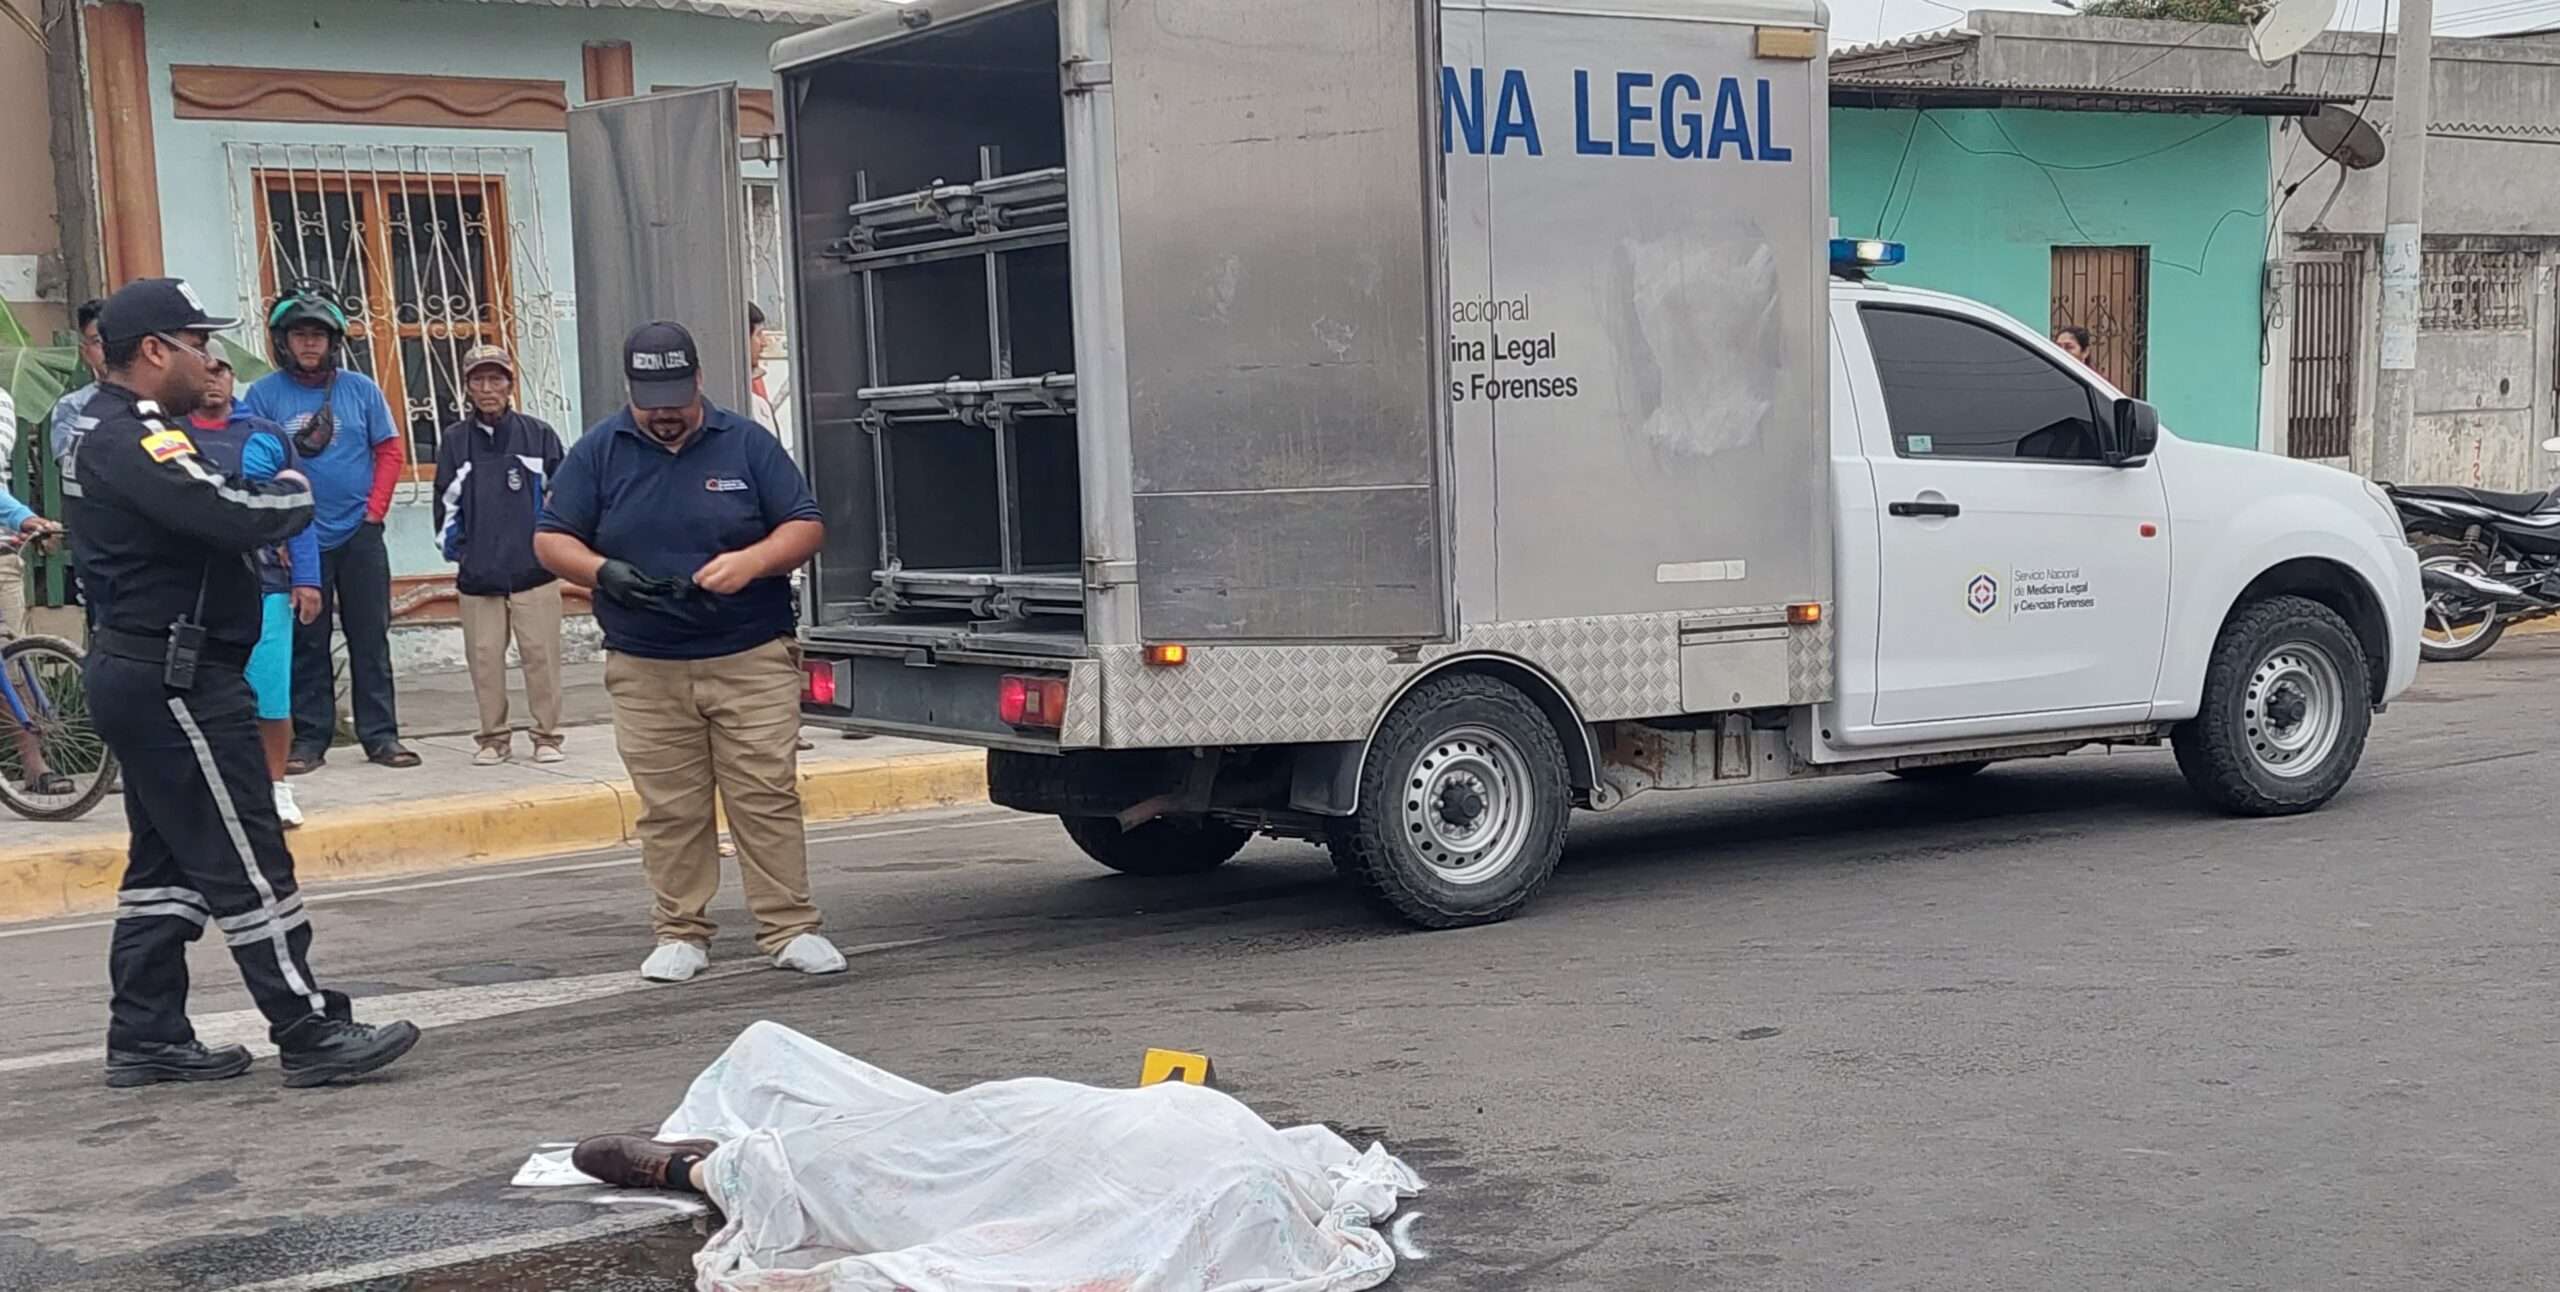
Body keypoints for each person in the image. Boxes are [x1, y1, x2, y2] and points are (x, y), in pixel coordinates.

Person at [68, 277, 417, 1089]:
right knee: (248, 850)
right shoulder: (135, 437)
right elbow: (228, 509)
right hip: (175, 677)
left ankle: (146, 1032)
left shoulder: (109, 424)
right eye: (197, 344)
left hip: (154, 667)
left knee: (169, 862)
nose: (211, 359)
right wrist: (294, 490)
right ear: (154, 351)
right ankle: (306, 1026)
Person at [533, 321, 840, 982]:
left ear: (699, 380)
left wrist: (753, 561)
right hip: (646, 663)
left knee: (765, 793)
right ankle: (681, 931)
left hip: (749, 652)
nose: (665, 413)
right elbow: (552, 538)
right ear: (629, 390)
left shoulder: (746, 444)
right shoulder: (597, 452)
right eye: (651, 400)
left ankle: (789, 926)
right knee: (670, 804)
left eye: (676, 395)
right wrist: (601, 571)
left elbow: (806, 524)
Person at [241, 283, 418, 773]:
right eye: (300, 334)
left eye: (318, 334)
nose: (310, 343)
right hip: (299, 540)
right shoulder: (263, 395)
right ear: (283, 341)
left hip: (359, 534)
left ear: (334, 340)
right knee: (306, 641)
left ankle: (381, 736)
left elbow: (389, 451)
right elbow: (255, 464)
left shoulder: (361, 390)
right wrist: (273, 532)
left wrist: (374, 512)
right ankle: (310, 739)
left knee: (370, 636)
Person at [187, 354, 323, 828]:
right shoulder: (169, 435)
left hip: (265, 586)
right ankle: (210, 788)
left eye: (220, 370)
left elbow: (298, 507)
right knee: (199, 695)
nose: (212, 379)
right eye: (203, 370)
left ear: (232, 377)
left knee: (270, 695)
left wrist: (306, 578)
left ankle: (276, 786)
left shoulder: (266, 434)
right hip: (193, 592)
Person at [433, 345, 568, 766]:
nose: (487, 388)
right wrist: (461, 554)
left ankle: (546, 737)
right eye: (478, 380)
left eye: (496, 379)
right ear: (467, 387)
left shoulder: (538, 435)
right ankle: (493, 739)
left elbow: (562, 498)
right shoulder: (456, 441)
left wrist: (553, 550)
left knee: (541, 658)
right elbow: (445, 503)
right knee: (486, 660)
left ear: (511, 385)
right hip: (479, 577)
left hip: (536, 572)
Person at [0, 478, 67, 797]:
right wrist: (22, 516)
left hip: (4, 554)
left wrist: (26, 523)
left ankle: (34, 765)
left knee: (14, 660)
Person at [47, 296, 107, 471]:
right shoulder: (72, 405)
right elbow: (68, 464)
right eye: (97, 342)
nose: (107, 349)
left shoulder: (158, 395)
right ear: (85, 352)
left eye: (113, 339)